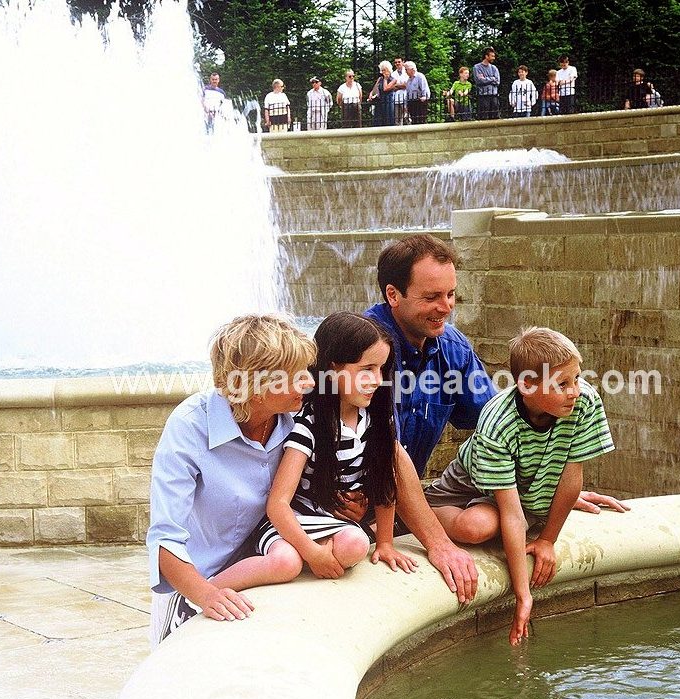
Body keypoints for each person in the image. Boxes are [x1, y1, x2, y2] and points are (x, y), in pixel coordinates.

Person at [360, 233, 629, 515]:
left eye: (450, 294)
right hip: (344, 509)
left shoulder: (454, 349)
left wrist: (551, 493)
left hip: (402, 505)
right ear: (393, 294)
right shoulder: (358, 349)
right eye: (431, 297)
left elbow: (503, 422)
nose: (446, 307)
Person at [424, 327, 616, 644]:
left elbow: (571, 476)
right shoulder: (498, 419)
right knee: (477, 527)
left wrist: (547, 540)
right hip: (466, 488)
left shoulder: (583, 404)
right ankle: (424, 509)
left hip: (515, 487)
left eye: (577, 379)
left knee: (498, 519)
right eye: (562, 384)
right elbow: (513, 515)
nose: (575, 391)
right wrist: (523, 593)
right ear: (526, 384)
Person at [146, 314, 317, 647]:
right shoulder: (189, 426)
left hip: (270, 562)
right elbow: (165, 539)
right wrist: (205, 595)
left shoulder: (298, 415)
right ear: (255, 386)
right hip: (196, 585)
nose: (310, 383)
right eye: (297, 376)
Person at [221, 312, 418, 585]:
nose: (377, 379)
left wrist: (385, 543)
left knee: (355, 546)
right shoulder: (309, 424)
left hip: (331, 525)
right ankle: (202, 594)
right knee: (285, 562)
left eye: (382, 369)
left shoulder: (375, 421)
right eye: (367, 369)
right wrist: (313, 553)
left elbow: (385, 481)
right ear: (334, 368)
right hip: (291, 522)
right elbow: (278, 504)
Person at [472, 47, 500, 119]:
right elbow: (479, 81)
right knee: (483, 117)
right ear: (486, 56)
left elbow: (497, 81)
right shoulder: (477, 67)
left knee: (495, 117)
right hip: (483, 96)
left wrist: (486, 78)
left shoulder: (494, 68)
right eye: (492, 56)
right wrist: (492, 78)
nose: (494, 58)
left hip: (494, 95)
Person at [368, 60, 397, 127]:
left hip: (388, 102)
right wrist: (371, 94)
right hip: (380, 102)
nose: (383, 72)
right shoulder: (380, 79)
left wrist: (385, 79)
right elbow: (374, 89)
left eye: (385, 70)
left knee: (388, 120)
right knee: (378, 121)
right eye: (382, 70)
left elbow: (385, 88)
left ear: (389, 70)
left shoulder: (393, 79)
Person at [404, 61, 431, 125]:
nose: (405, 71)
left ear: (412, 69)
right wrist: (406, 104)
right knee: (414, 121)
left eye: (406, 69)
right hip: (412, 102)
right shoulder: (408, 80)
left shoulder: (420, 76)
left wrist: (424, 97)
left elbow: (424, 88)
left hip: (420, 102)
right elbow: (407, 93)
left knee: (421, 120)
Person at [392, 57, 409, 126]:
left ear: (403, 62)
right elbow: (391, 87)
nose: (397, 64)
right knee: (397, 119)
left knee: (407, 117)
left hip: (405, 97)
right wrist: (401, 85)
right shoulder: (393, 74)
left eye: (399, 62)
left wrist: (397, 85)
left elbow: (407, 85)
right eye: (395, 62)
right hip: (396, 98)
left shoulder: (407, 72)